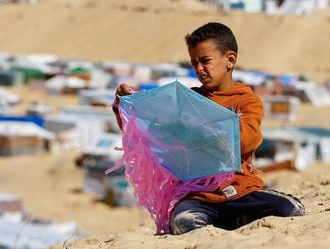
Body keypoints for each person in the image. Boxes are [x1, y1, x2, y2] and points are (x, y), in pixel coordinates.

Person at [113, 22, 305, 235]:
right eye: (194, 63)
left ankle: (236, 217)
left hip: (241, 191)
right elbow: (149, 134)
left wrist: (202, 125)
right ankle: (231, 222)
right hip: (199, 196)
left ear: (230, 60)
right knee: (184, 221)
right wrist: (128, 103)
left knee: (288, 209)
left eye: (205, 61)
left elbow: (246, 140)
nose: (199, 69)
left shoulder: (246, 101)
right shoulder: (188, 100)